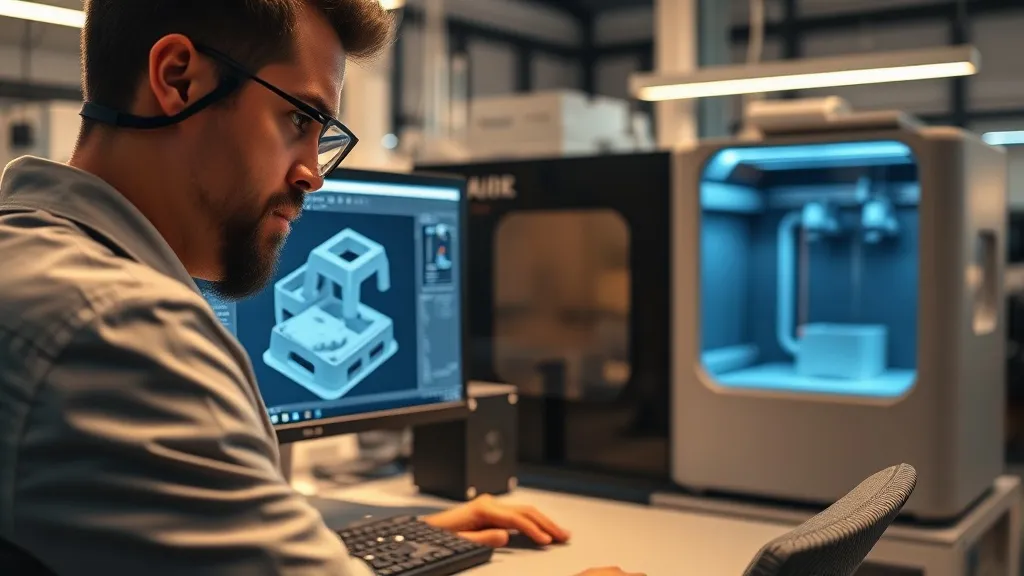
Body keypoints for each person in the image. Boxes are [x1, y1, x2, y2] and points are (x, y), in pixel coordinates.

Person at [0, 1, 646, 575]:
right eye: (298, 118)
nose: (313, 173)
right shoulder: (117, 329)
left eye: (321, 136)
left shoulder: (31, 262)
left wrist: (349, 543)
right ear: (178, 78)